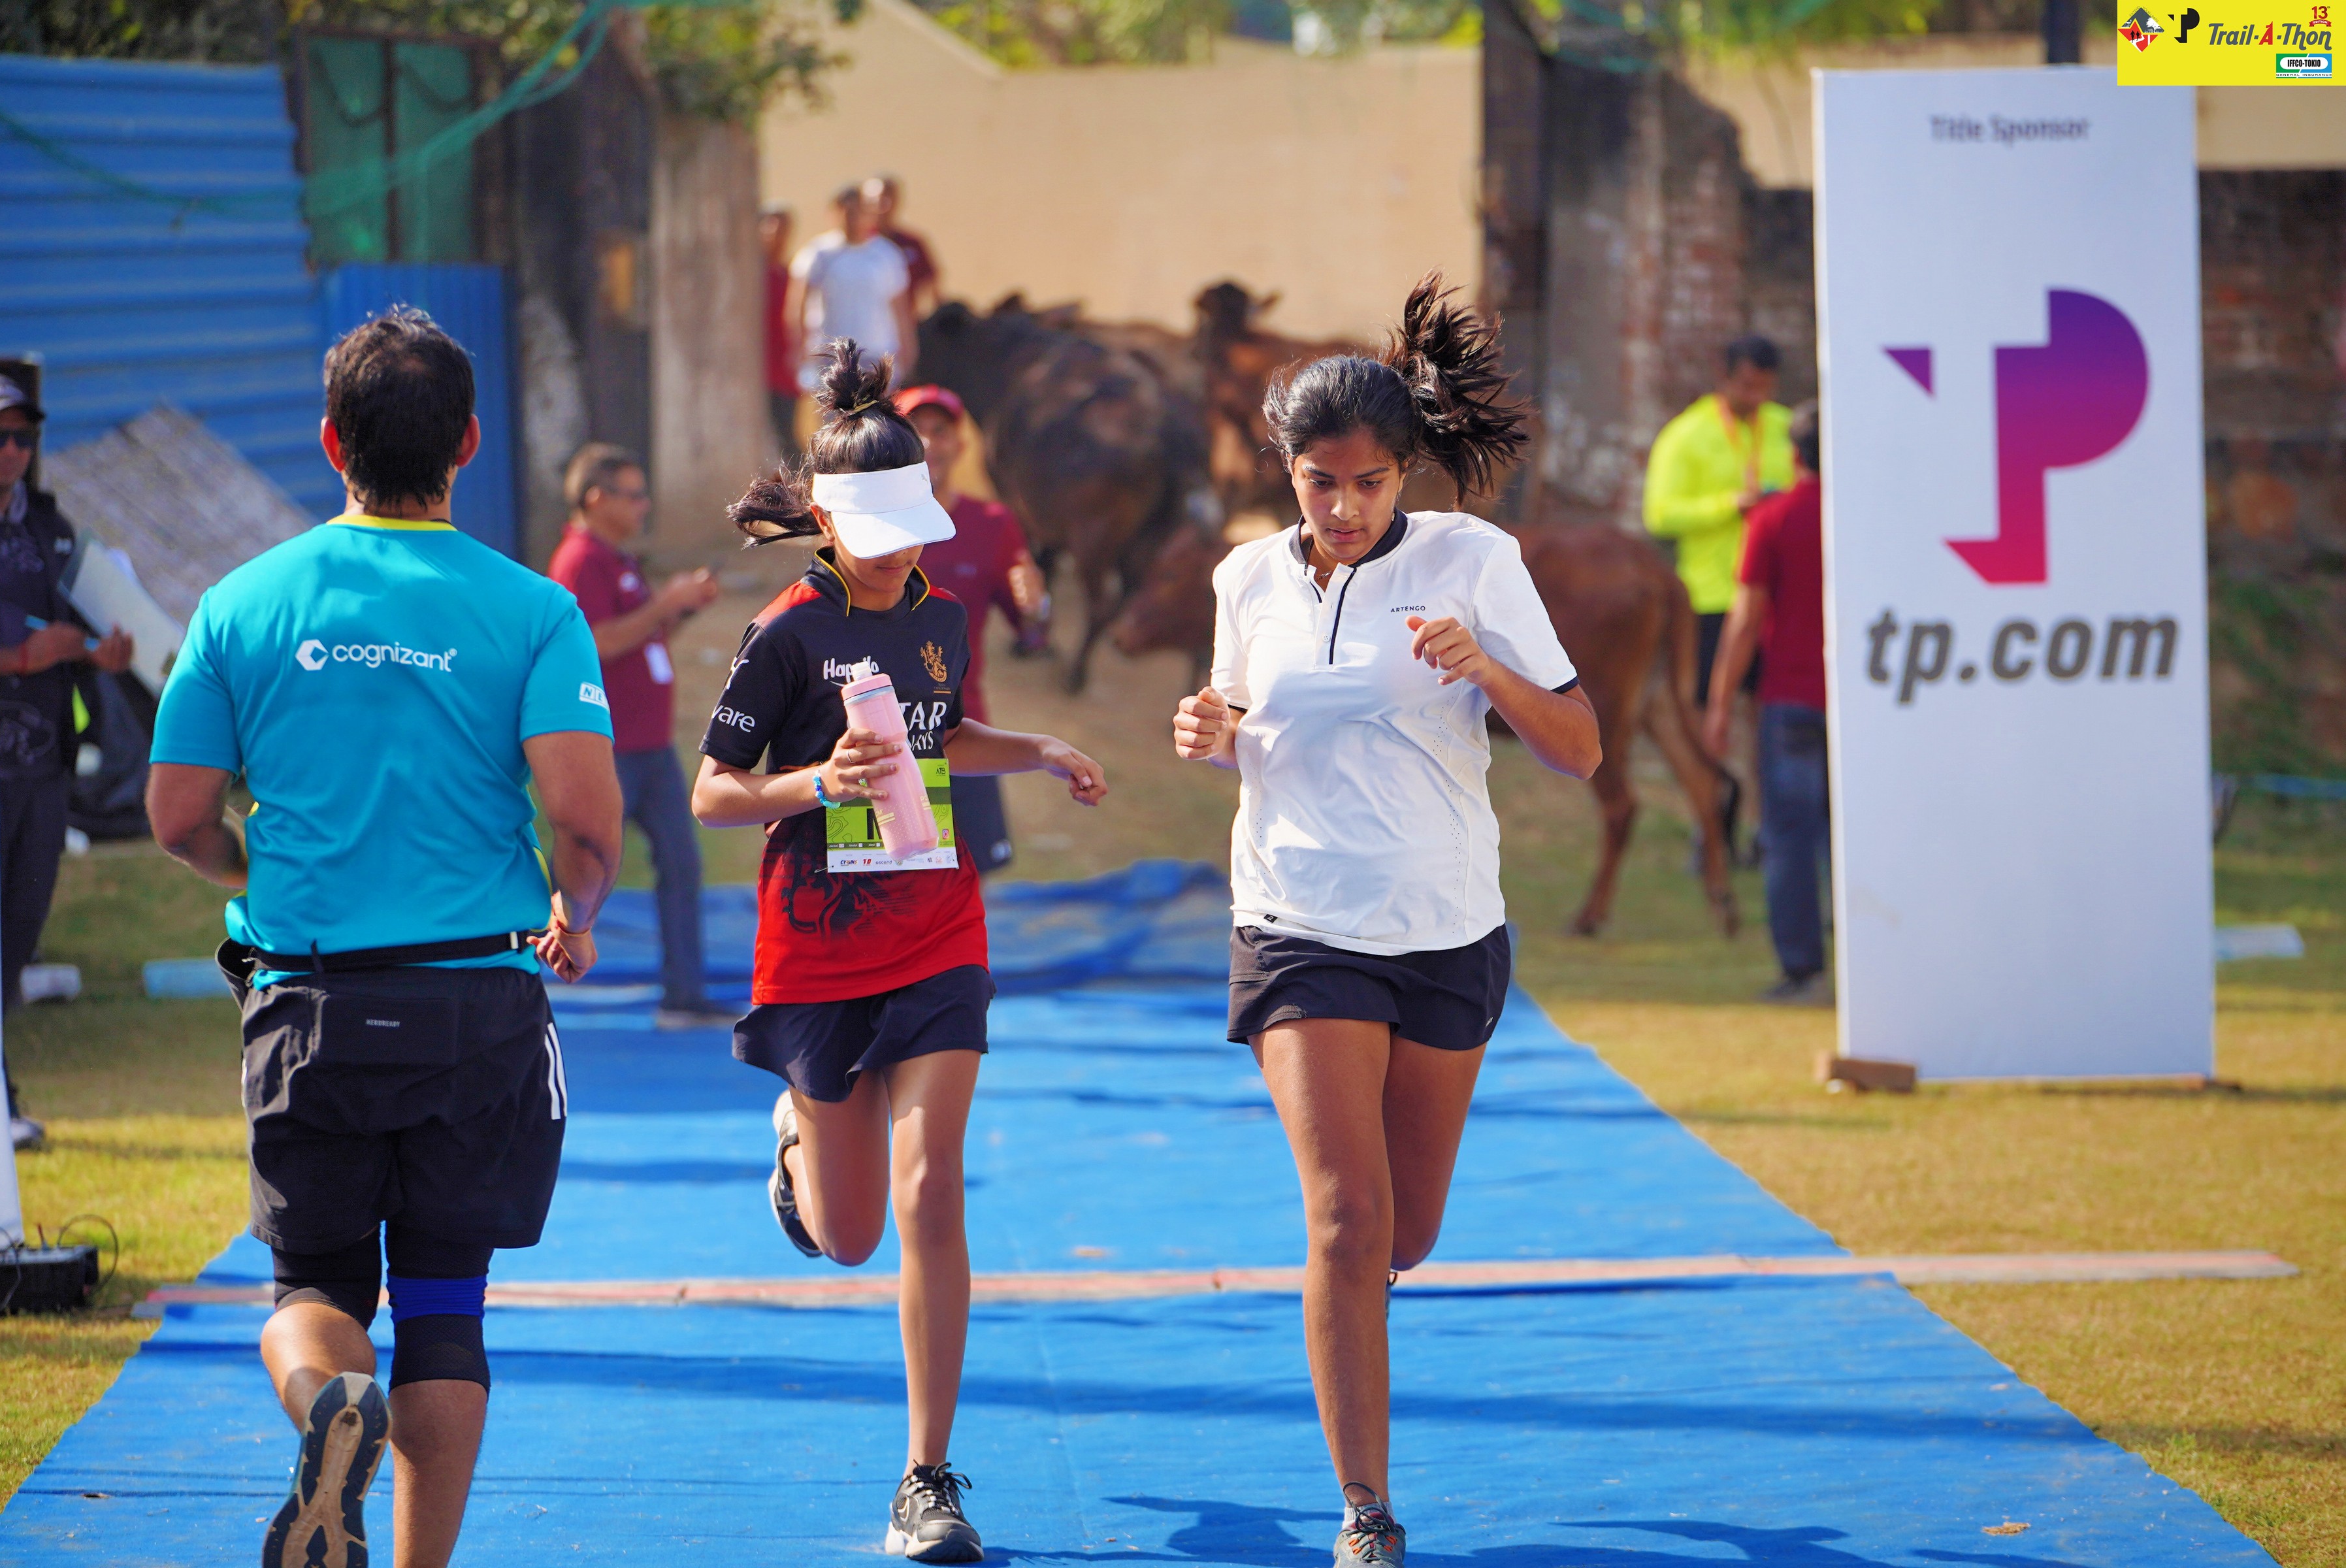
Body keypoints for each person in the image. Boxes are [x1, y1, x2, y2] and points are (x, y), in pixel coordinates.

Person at [144, 308, 625, 1568]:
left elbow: (177, 816)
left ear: (330, 441)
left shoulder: (241, 603)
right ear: (467, 443)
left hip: (309, 1004)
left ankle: (326, 1403)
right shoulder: (535, 610)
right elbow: (585, 827)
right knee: (449, 1307)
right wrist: (575, 913)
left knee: (313, 1291)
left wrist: (258, 870)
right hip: (477, 1003)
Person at [1169, 278, 1601, 1568]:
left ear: (1404, 470)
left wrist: (1490, 669)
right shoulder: (1246, 577)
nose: (1345, 507)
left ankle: (1364, 1317)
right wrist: (1207, 729)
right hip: (1299, 924)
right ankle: (1367, 1511)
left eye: (1367, 483)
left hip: (1449, 928)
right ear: (1287, 472)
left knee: (1409, 1233)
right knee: (1349, 1224)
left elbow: (1579, 748)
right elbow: (1238, 723)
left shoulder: (1476, 562)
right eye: (1320, 483)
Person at [692, 343, 1105, 1565]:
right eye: (870, 535)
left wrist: (1038, 749)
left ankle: (926, 1479)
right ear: (825, 521)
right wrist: (817, 782)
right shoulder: (783, 634)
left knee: (931, 1192)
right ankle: (795, 1138)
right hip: (818, 949)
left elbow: (941, 732)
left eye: (908, 532)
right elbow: (715, 793)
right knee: (852, 1235)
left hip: (936, 926)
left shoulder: (941, 617)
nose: (894, 555)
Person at [0, 372, 136, 1152]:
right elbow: (28, 643)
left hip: (44, 768)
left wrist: (100, 651)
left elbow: (82, 623)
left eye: (24, 437)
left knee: (18, 932)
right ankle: (1, 1101)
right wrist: (18, 657)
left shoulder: (51, 526)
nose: (13, 451)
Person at [547, 444, 728, 1027]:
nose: (644, 505)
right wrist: (665, 603)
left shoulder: (616, 560)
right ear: (596, 498)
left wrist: (679, 609)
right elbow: (594, 643)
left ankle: (684, 994)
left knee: (681, 865)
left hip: (650, 747)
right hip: (610, 749)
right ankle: (533, 975)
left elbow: (641, 640)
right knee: (586, 866)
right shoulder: (580, 560)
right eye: (633, 495)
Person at [893, 384, 1047, 874]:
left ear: (960, 445)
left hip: (958, 732)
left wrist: (1037, 607)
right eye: (916, 431)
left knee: (969, 876)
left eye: (941, 431)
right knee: (878, 881)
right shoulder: (869, 526)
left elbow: (1032, 636)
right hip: (878, 739)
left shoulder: (991, 525)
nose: (929, 443)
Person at [1704, 400, 1828, 1005]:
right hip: (1859, 704)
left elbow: (1747, 618)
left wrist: (1720, 701)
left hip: (1791, 698)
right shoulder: (1868, 517)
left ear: (1795, 454)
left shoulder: (1774, 518)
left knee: (1789, 838)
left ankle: (1803, 971)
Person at [1642, 335, 1794, 709]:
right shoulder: (1685, 435)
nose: (1756, 397)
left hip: (1778, 593)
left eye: (1765, 388)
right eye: (1747, 386)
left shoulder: (1787, 427)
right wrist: (1728, 506)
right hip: (1711, 595)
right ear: (1722, 377)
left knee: (1774, 703)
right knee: (1707, 704)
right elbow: (1659, 515)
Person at [790, 184, 915, 395]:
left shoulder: (887, 254)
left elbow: (900, 308)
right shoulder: (819, 253)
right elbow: (798, 305)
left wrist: (908, 349)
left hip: (876, 355)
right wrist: (799, 347)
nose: (854, 219)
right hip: (831, 356)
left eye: (860, 212)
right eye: (848, 212)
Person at [865, 174, 941, 318]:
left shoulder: (912, 244)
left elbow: (932, 285)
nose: (882, 206)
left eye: (888, 199)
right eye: (876, 200)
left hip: (904, 323)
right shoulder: (853, 247)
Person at [760, 202, 801, 462]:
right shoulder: (746, 278)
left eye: (783, 229)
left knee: (784, 436)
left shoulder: (792, 276)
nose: (776, 235)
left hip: (783, 373)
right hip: (752, 373)